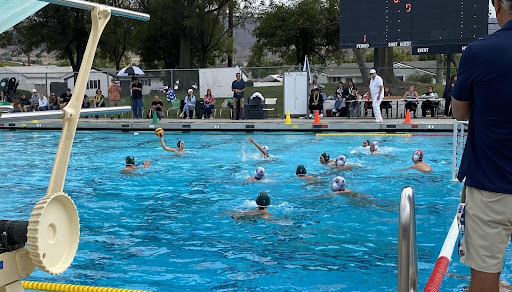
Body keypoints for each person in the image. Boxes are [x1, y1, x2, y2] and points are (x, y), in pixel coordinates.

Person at [451, 1, 512, 289]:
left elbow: (460, 112)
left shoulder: (478, 52)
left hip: (490, 186)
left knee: (485, 281)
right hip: (490, 181)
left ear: (498, 5)